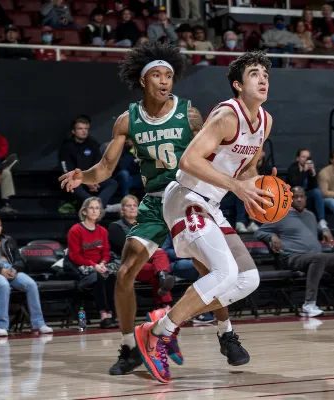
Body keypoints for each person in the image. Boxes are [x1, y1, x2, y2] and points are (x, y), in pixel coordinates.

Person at [59, 41, 241, 376]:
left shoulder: (189, 113)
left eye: (168, 76)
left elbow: (213, 156)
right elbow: (105, 168)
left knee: (209, 270)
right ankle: (129, 346)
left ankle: (226, 333)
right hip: (157, 203)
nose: (164, 81)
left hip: (190, 200)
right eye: (157, 75)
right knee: (125, 272)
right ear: (143, 80)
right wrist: (81, 176)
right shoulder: (126, 120)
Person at [134, 51, 274, 383]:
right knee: (223, 273)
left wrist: (261, 188)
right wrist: (237, 188)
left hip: (212, 204)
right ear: (239, 85)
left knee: (248, 279)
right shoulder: (228, 115)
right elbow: (189, 161)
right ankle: (157, 334)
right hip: (186, 197)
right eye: (255, 73)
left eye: (266, 73)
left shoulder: (266, 122)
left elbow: (247, 168)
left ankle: (167, 319)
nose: (264, 78)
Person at [256, 186, 334, 317]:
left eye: (302, 197)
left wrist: (323, 230)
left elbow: (311, 232)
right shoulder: (279, 215)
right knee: (318, 257)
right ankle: (309, 304)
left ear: (306, 199)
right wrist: (271, 236)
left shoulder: (310, 215)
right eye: (296, 197)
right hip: (292, 257)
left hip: (315, 257)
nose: (299, 199)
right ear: (289, 200)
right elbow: (259, 232)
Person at [0, 212, 53, 336]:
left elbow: (19, 260)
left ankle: (38, 323)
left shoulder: (8, 239)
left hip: (11, 270)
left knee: (31, 284)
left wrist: (13, 270)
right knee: (3, 285)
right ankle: (2, 326)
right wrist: (0, 270)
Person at [108, 195, 175, 306]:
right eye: (128, 206)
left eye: (135, 205)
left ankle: (162, 276)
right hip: (129, 265)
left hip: (147, 261)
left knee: (160, 255)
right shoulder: (115, 227)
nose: (132, 208)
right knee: (157, 260)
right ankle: (166, 305)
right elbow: (128, 248)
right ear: (122, 209)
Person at [67, 197, 118, 329]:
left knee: (112, 276)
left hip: (100, 265)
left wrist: (102, 263)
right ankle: (103, 315)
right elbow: (74, 256)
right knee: (100, 276)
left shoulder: (102, 231)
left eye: (97, 208)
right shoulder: (75, 230)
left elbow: (106, 253)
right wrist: (93, 265)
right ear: (84, 211)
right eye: (91, 208)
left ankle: (112, 314)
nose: (95, 211)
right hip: (82, 267)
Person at [59, 116, 118, 208]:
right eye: (80, 128)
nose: (84, 131)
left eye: (86, 128)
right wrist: (85, 180)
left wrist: (93, 180)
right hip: (76, 180)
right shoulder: (67, 147)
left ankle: (97, 205)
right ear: (73, 131)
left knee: (112, 183)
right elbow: (67, 171)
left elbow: (99, 164)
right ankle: (94, 206)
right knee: (73, 185)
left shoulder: (93, 144)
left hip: (93, 178)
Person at [162, 233, 214, 323]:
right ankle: (200, 312)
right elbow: (165, 250)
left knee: (206, 271)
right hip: (179, 262)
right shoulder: (171, 230)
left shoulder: (196, 230)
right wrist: (185, 253)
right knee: (204, 268)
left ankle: (197, 311)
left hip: (197, 262)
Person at [287, 149, 327, 229]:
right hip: (293, 194)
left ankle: (322, 221)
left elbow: (314, 186)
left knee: (317, 192)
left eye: (308, 157)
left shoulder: (309, 167)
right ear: (298, 158)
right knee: (299, 194)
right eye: (303, 157)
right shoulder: (292, 168)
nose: (306, 159)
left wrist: (313, 174)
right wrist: (304, 171)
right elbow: (296, 186)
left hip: (307, 193)